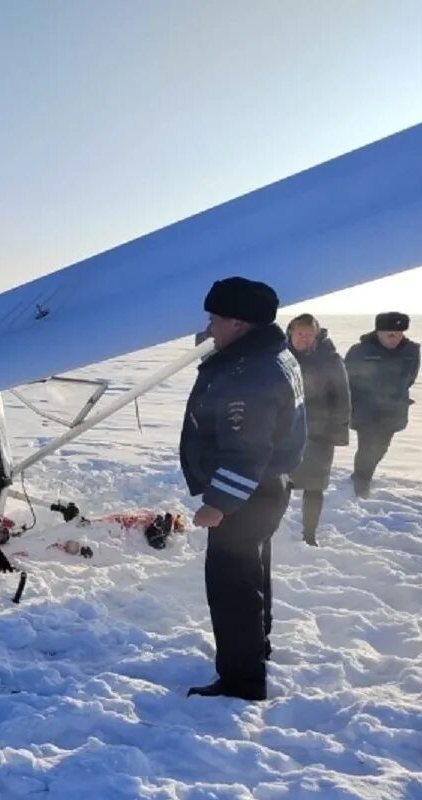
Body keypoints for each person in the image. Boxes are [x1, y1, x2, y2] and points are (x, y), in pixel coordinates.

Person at [180, 277, 306, 701]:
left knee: (231, 585)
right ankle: (256, 648)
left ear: (238, 322)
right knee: (251, 574)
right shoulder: (270, 353)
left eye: (215, 318)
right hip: (267, 488)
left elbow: (246, 449)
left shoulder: (249, 375)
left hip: (247, 493)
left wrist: (218, 503)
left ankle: (241, 680)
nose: (210, 325)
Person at [286, 314, 350, 545]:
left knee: (314, 486)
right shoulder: (279, 356)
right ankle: (272, 528)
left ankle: (309, 535)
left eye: (309, 335)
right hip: (285, 431)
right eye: (300, 334)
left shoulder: (330, 360)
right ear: (290, 332)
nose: (304, 339)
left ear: (316, 336)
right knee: (281, 482)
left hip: (319, 433)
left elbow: (342, 398)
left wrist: (338, 433)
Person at [345, 312, 420, 498]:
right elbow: (347, 378)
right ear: (378, 332)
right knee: (367, 446)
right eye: (390, 334)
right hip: (365, 408)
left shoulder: (411, 350)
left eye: (399, 334)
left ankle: (364, 473)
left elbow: (410, 377)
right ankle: (361, 480)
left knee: (382, 446)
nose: (395, 338)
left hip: (393, 408)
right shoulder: (360, 351)